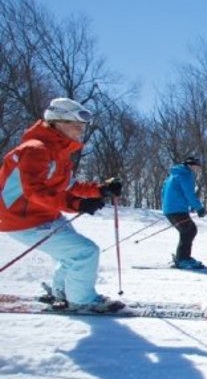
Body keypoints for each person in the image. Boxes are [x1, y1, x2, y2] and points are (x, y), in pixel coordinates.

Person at [0, 98, 123, 311]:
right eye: (76, 123)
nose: (81, 129)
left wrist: (100, 189)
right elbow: (34, 191)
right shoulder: (36, 149)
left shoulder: (58, 151)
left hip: (44, 215)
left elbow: (69, 184)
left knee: (72, 254)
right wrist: (76, 204)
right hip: (22, 219)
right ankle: (82, 301)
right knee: (84, 252)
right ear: (57, 122)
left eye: (84, 125)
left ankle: (63, 292)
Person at [161, 156, 206, 269]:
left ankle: (183, 257)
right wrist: (199, 208)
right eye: (196, 166)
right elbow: (189, 193)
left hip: (172, 208)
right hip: (177, 209)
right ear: (190, 165)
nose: (197, 169)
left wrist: (167, 206)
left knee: (188, 230)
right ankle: (183, 259)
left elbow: (163, 190)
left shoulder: (175, 173)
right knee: (189, 231)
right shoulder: (185, 175)